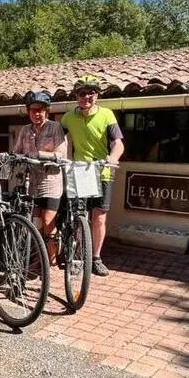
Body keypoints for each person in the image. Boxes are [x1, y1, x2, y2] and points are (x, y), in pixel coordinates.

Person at [60, 75, 125, 277]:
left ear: (97, 95)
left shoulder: (107, 115)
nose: (86, 96)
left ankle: (95, 258)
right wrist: (59, 156)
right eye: (81, 93)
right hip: (79, 170)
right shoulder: (68, 117)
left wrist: (113, 157)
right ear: (76, 96)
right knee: (78, 215)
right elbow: (60, 141)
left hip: (102, 170)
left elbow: (118, 143)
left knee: (98, 216)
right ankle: (77, 254)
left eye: (91, 92)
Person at [12, 91, 67, 264]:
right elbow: (16, 152)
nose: (37, 113)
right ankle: (37, 258)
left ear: (46, 111)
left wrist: (40, 154)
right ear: (28, 111)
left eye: (40, 110)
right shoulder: (25, 130)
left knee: (48, 221)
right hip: (31, 183)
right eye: (33, 110)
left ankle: (51, 261)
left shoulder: (55, 127)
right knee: (34, 223)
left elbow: (61, 154)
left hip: (51, 181)